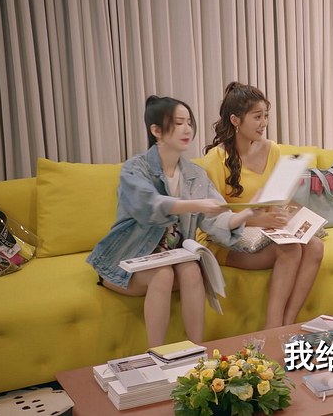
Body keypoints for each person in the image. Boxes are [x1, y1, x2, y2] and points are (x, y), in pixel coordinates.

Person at [87, 95, 256, 348]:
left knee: (192, 269)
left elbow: (216, 218)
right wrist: (196, 204)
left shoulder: (195, 174)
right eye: (178, 123)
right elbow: (149, 205)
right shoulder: (135, 169)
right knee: (163, 274)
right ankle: (156, 355)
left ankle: (196, 353)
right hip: (126, 261)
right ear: (156, 131)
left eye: (188, 122)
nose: (187, 129)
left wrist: (247, 213)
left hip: (172, 258)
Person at [199, 82, 324, 330]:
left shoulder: (272, 149)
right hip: (224, 239)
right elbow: (212, 220)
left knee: (315, 246)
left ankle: (288, 324)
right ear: (235, 120)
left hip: (266, 231)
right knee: (290, 250)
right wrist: (257, 220)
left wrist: (287, 217)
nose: (263, 123)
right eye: (257, 117)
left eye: (265, 116)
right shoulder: (215, 160)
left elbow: (277, 199)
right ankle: (273, 329)